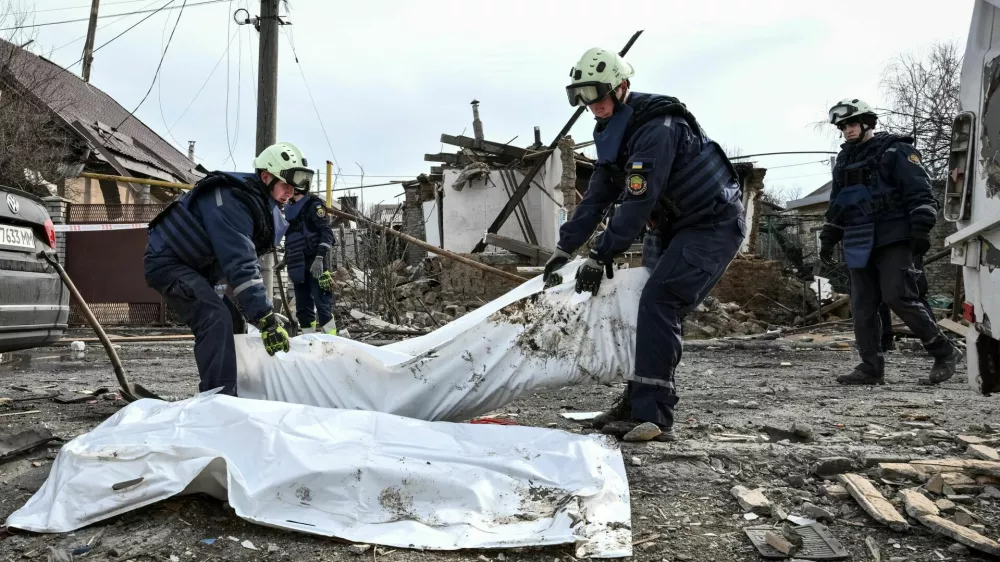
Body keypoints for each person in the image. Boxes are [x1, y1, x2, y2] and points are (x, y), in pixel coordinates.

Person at [543, 47, 746, 442]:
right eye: (584, 98)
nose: (593, 107)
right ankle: (636, 401)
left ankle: (654, 415)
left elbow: (639, 200)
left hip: (711, 225)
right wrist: (564, 249)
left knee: (661, 302)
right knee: (643, 305)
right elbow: (597, 197)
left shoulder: (658, 128)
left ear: (622, 88)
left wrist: (601, 253)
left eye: (598, 96)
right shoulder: (611, 132)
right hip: (670, 227)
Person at [144, 142, 314, 396]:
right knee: (215, 317)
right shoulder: (232, 201)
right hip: (169, 264)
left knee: (233, 318)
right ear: (265, 177)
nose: (290, 192)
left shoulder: (258, 204)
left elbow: (240, 267)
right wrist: (265, 318)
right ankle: (219, 397)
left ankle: (236, 388)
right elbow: (240, 263)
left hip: (197, 268)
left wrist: (252, 310)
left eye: (294, 187)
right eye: (285, 185)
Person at [820, 99, 961, 385]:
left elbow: (920, 191)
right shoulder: (844, 161)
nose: (847, 130)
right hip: (858, 238)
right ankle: (871, 366)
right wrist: (828, 237)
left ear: (867, 122)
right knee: (862, 305)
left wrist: (921, 229)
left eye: (851, 124)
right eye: (842, 127)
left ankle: (944, 351)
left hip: (893, 234)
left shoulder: (896, 150)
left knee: (898, 296)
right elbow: (837, 204)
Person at [283, 183, 338, 334]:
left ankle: (331, 343)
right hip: (297, 264)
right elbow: (291, 238)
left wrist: (320, 258)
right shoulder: (287, 210)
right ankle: (309, 342)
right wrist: (285, 259)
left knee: (323, 305)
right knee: (303, 307)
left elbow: (327, 234)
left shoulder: (314, 206)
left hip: (316, 262)